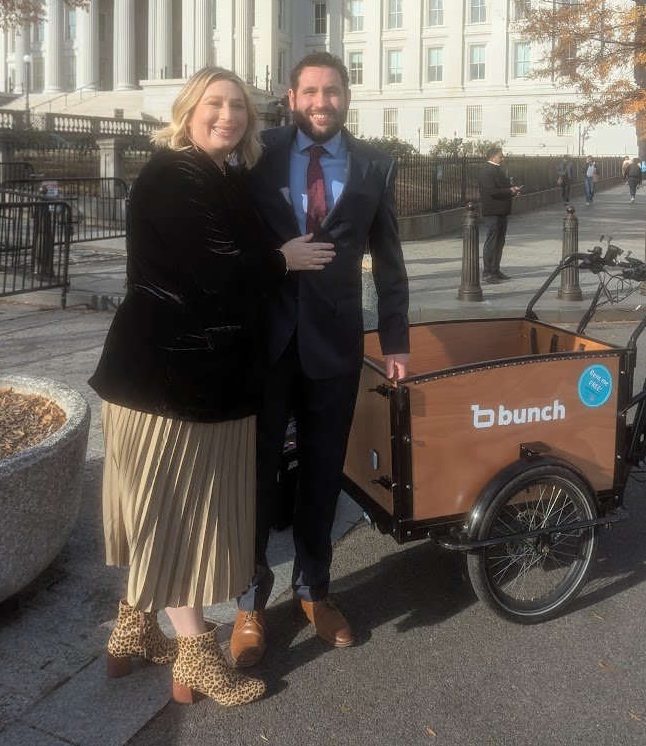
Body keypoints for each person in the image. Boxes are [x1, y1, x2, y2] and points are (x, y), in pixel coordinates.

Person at [88, 67, 334, 707]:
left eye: (239, 108)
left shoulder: (220, 175)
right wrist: (284, 259)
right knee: (175, 520)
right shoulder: (175, 173)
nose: (228, 115)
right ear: (187, 109)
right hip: (166, 382)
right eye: (214, 104)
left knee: (170, 515)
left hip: (205, 381)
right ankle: (197, 654)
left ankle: (134, 632)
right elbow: (216, 272)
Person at [232, 52, 410, 665]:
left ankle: (314, 589)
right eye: (310, 91)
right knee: (254, 475)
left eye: (331, 91)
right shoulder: (256, 153)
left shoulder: (375, 166)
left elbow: (389, 260)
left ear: (347, 97)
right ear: (291, 96)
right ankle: (249, 602)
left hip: (335, 347)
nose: (320, 102)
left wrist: (395, 343)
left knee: (322, 473)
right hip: (266, 341)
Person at [478, 146, 522, 283]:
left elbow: (502, 188)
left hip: (502, 211)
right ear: (492, 157)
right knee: (491, 242)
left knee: (499, 242)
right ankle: (487, 272)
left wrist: (513, 190)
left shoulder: (496, 170)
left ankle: (495, 269)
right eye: (500, 156)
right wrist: (510, 191)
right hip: (493, 211)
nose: (502, 159)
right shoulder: (487, 171)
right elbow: (490, 191)